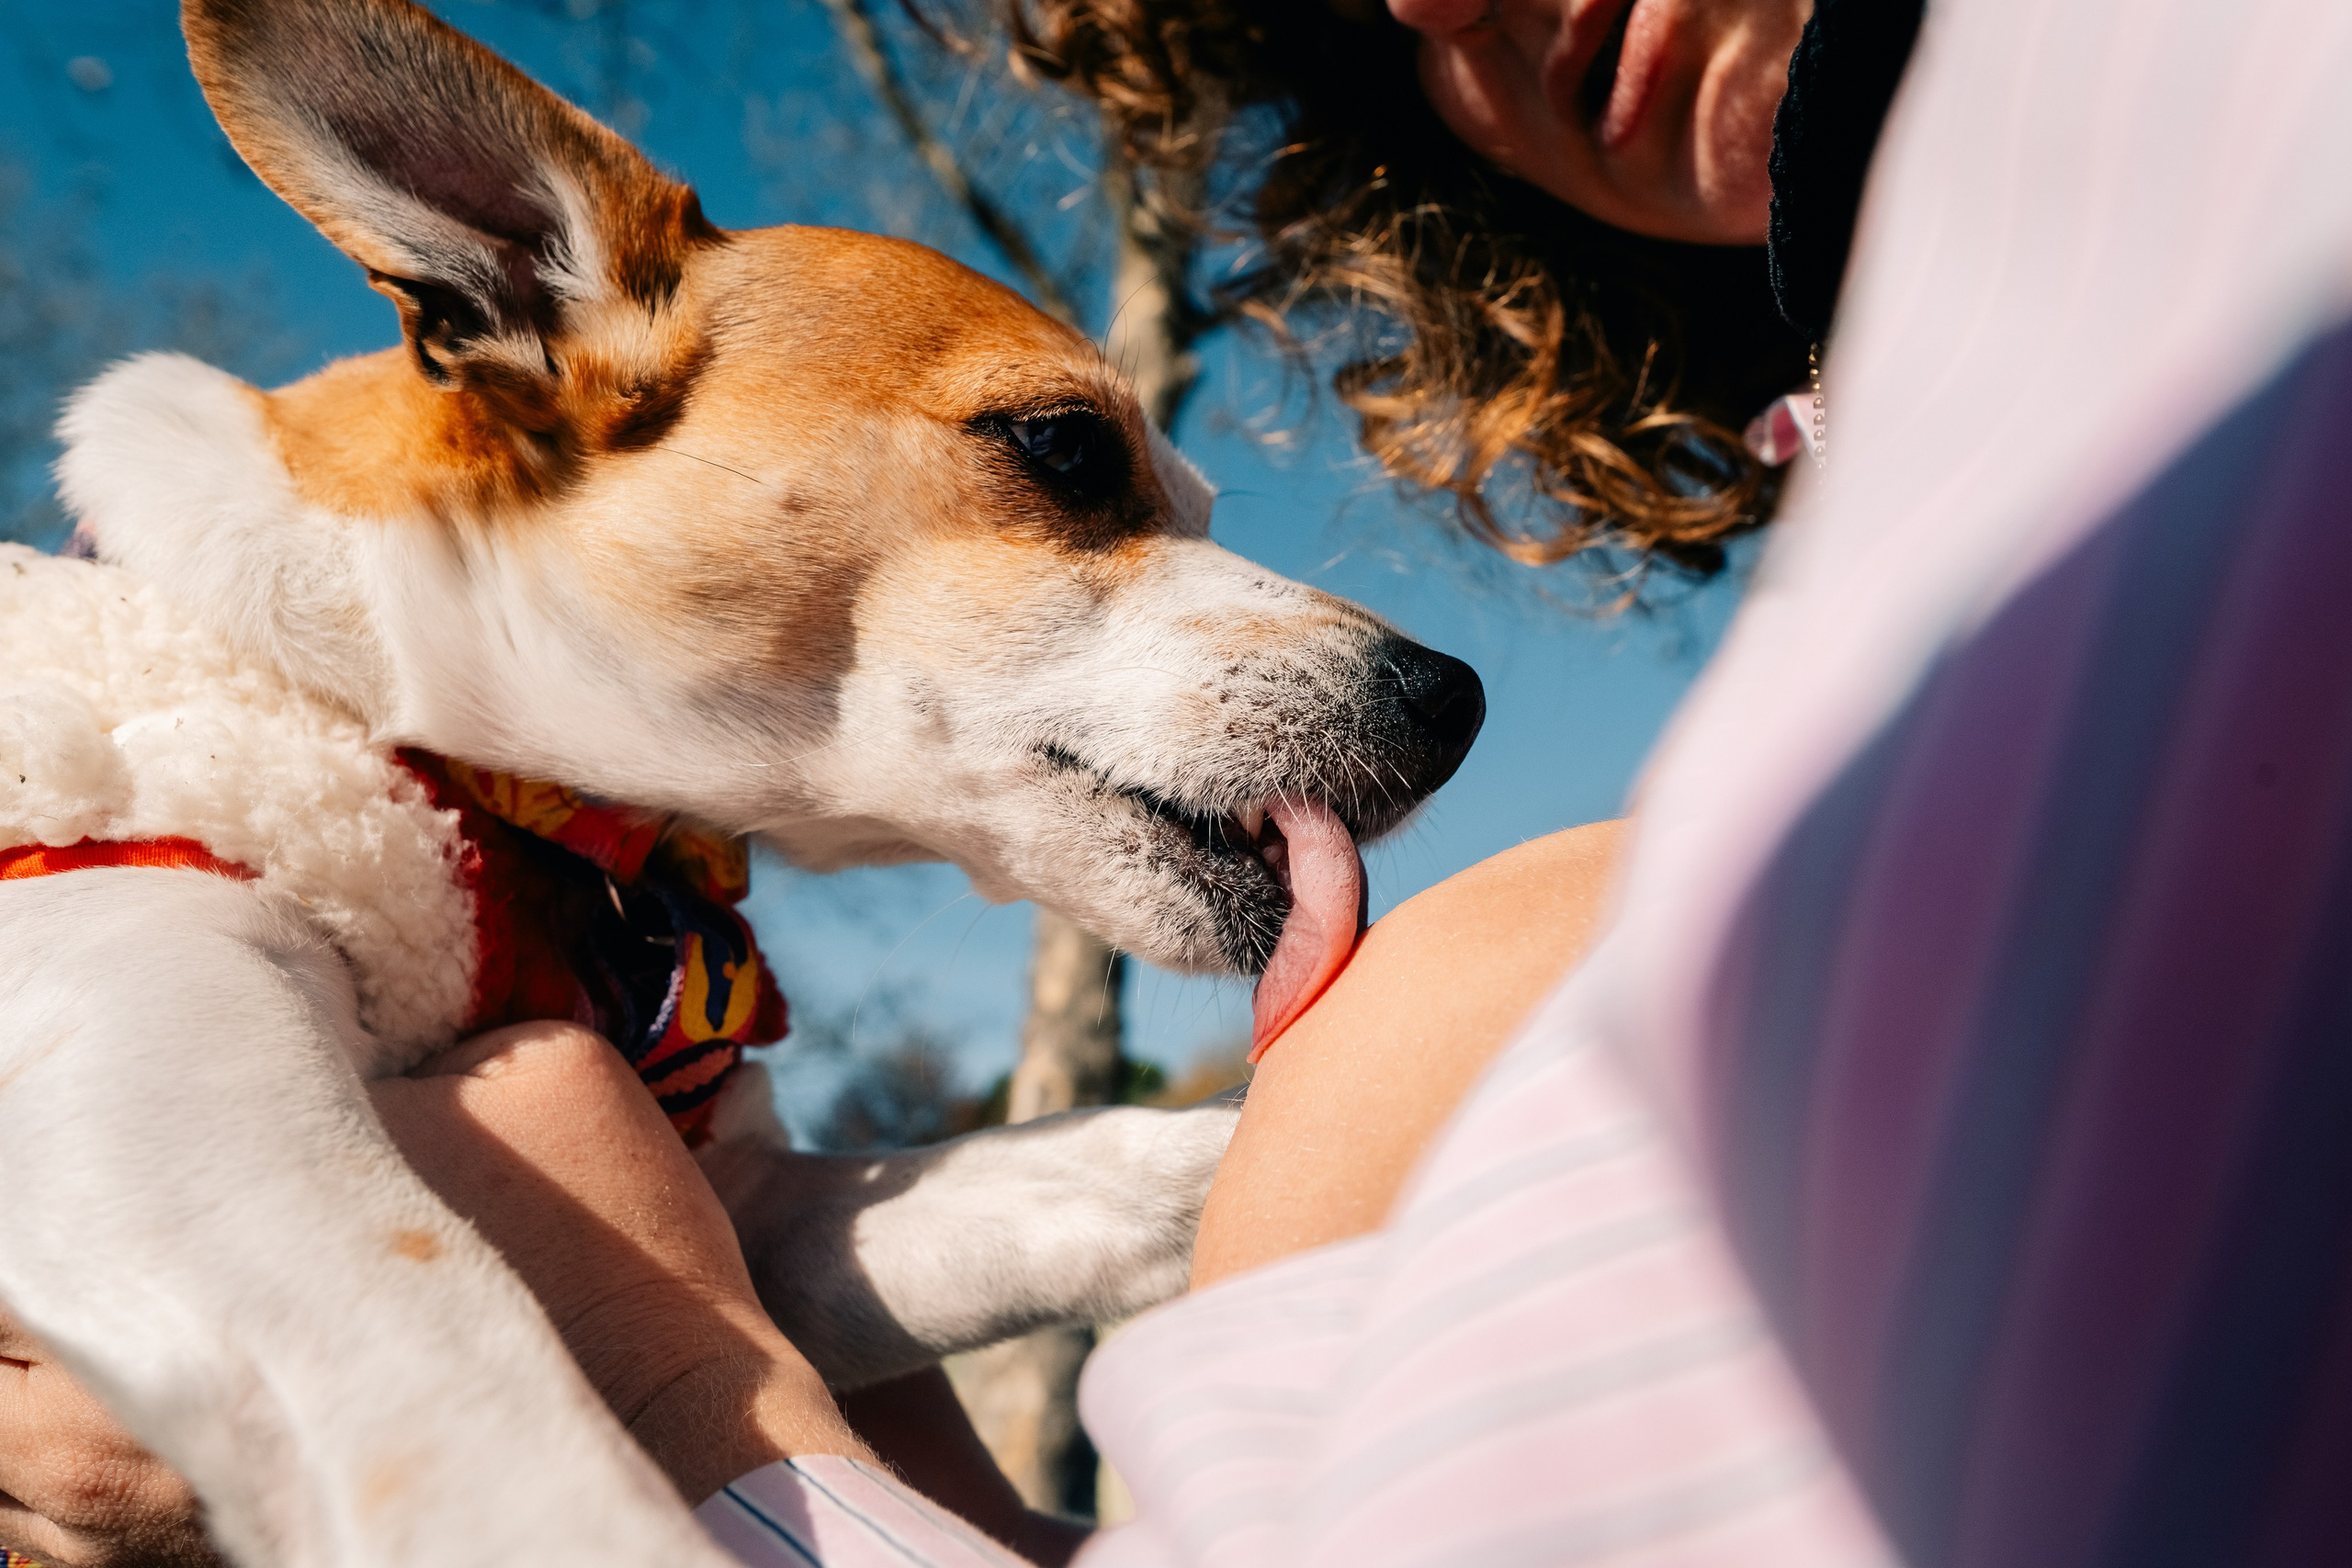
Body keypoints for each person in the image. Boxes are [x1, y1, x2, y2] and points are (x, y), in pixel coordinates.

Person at [16, 0, 2352, 1562]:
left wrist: (1251, 1189)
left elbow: (690, 1261)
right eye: (1057, 464)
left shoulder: (600, 923)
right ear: (523, 298)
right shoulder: (121, 788)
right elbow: (227, 1188)